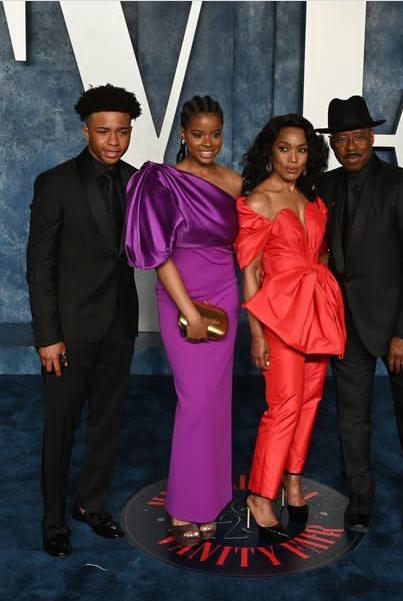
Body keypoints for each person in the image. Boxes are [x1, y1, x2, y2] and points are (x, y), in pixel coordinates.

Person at [26, 84, 141, 557]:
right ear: (85, 130)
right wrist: (48, 336)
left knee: (107, 424)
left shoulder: (137, 181)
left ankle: (90, 505)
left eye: (122, 132)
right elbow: (39, 265)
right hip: (69, 331)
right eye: (103, 132)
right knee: (60, 427)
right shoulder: (55, 182)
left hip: (119, 325)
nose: (114, 141)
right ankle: (54, 521)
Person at [316, 95, 403, 533]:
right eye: (342, 139)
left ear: (372, 137)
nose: (350, 146)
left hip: (397, 325)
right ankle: (361, 494)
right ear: (332, 144)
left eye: (358, 137)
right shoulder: (324, 188)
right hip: (345, 324)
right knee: (351, 414)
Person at [125, 95, 242, 546]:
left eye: (215, 133)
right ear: (182, 134)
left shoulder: (234, 181)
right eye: (198, 134)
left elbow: (247, 243)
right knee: (194, 399)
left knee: (216, 400)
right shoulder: (163, 181)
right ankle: (184, 506)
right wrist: (189, 311)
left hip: (224, 294)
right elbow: (159, 254)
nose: (207, 142)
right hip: (181, 295)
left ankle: (211, 499)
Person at [235, 114, 346, 541]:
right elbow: (249, 272)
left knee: (311, 400)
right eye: (284, 148)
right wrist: (258, 334)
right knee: (282, 406)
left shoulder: (312, 199)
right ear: (270, 150)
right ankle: (261, 495)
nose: (293, 158)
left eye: (301, 149)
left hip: (316, 312)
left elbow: (320, 256)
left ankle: (292, 480)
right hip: (279, 315)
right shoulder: (258, 201)